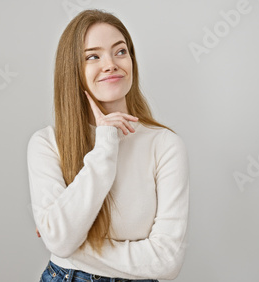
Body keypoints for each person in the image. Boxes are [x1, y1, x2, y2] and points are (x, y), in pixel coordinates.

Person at [27, 9, 190, 281]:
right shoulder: (46, 144)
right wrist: (105, 145)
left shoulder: (165, 145)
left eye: (120, 51)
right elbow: (60, 241)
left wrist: (68, 247)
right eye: (93, 56)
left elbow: (167, 261)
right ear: (73, 70)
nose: (111, 64)